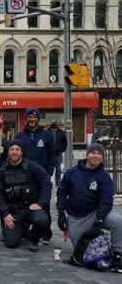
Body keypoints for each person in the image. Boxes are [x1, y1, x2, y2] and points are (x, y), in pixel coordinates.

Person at [57, 143, 122, 273]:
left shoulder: (104, 177)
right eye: (93, 153)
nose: (95, 156)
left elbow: (106, 201)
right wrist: (61, 213)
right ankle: (101, 246)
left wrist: (98, 221)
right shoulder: (72, 172)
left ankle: (118, 254)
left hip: (95, 214)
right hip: (76, 217)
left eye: (99, 154)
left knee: (118, 221)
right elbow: (62, 192)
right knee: (82, 254)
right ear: (87, 154)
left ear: (102, 158)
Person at [0, 140, 51, 252]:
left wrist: (41, 203)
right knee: (11, 243)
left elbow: (46, 182)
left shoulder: (32, 167)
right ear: (8, 152)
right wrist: (5, 214)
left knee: (42, 220)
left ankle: (34, 240)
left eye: (17, 149)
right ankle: (23, 230)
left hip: (31, 207)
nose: (14, 152)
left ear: (22, 152)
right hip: (13, 212)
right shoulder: (2, 171)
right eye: (11, 150)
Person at [15, 108, 56, 243]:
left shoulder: (47, 135)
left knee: (44, 204)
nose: (31, 119)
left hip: (42, 176)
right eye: (29, 117)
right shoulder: (20, 136)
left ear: (38, 118)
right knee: (25, 203)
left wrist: (48, 173)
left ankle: (46, 233)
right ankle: (27, 231)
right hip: (25, 177)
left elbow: (52, 155)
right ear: (25, 119)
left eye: (34, 117)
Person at [47, 120, 68, 186]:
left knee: (58, 169)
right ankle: (48, 181)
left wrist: (62, 150)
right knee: (49, 168)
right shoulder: (47, 132)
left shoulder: (61, 132)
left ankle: (58, 182)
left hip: (58, 153)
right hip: (49, 154)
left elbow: (65, 142)